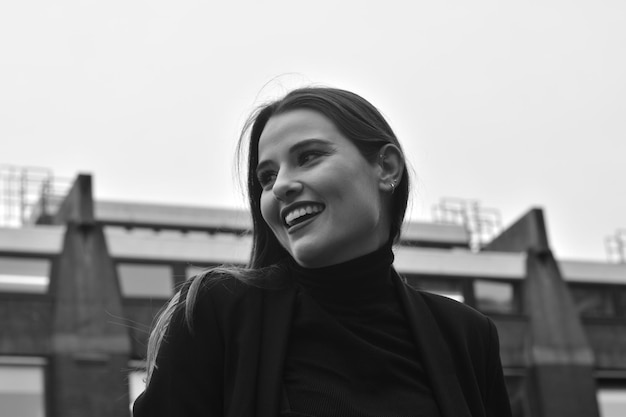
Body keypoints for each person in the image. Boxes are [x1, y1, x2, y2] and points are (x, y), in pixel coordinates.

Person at [132, 87, 512, 417]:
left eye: (309, 156)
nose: (280, 186)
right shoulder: (217, 310)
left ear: (386, 167)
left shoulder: (468, 335)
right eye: (266, 177)